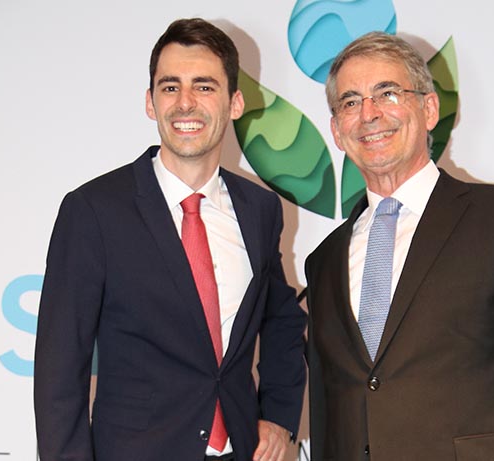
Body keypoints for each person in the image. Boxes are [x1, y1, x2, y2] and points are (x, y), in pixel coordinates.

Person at [34, 18, 306, 461]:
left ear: (235, 102)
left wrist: (278, 416)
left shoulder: (260, 210)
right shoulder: (94, 211)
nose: (185, 104)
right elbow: (59, 371)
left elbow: (281, 321)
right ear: (149, 102)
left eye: (204, 87)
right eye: (169, 87)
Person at [304, 31, 494, 460]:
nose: (369, 114)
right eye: (350, 102)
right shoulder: (323, 261)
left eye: (387, 93)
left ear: (429, 109)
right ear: (337, 131)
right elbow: (326, 407)